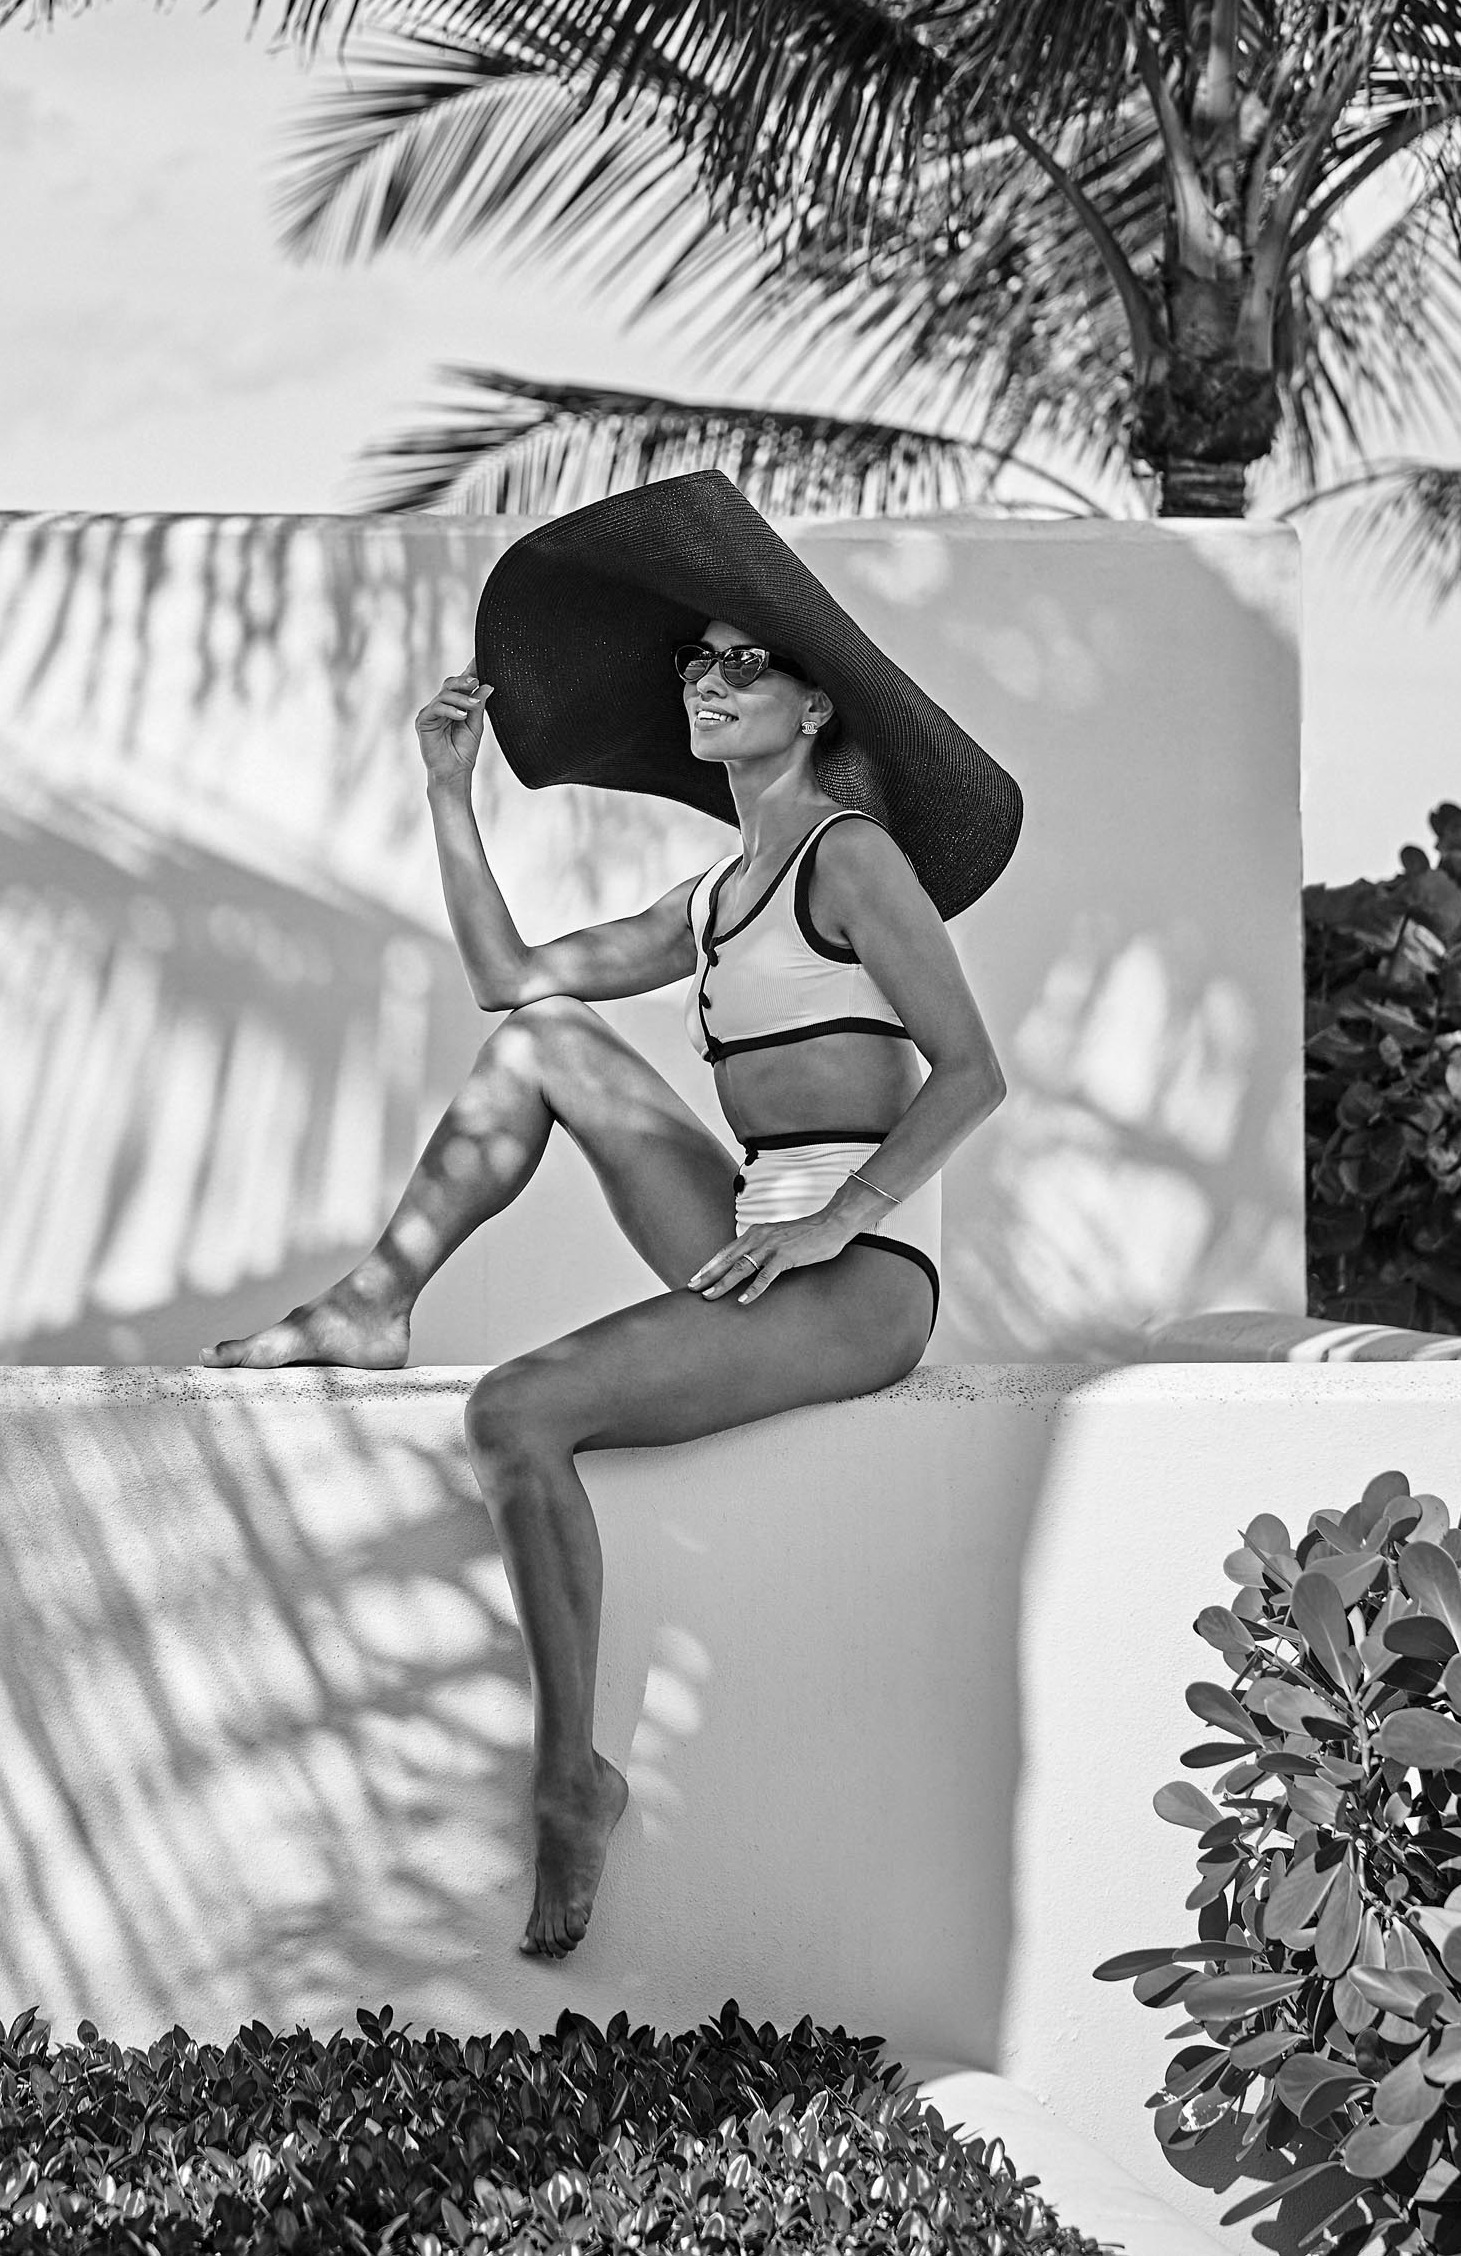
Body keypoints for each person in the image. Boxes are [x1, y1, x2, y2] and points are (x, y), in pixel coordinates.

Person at [208, 473, 1023, 1961]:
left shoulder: (855, 858)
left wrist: (843, 1219)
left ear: (815, 708)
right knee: (536, 1045)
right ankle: (374, 1303)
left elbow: (972, 1075)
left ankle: (569, 1778)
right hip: (744, 1232)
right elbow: (511, 980)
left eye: (740, 663)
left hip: (856, 1277)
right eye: (692, 664)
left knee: (520, 1414)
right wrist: (449, 796)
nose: (705, 684)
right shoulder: (716, 894)